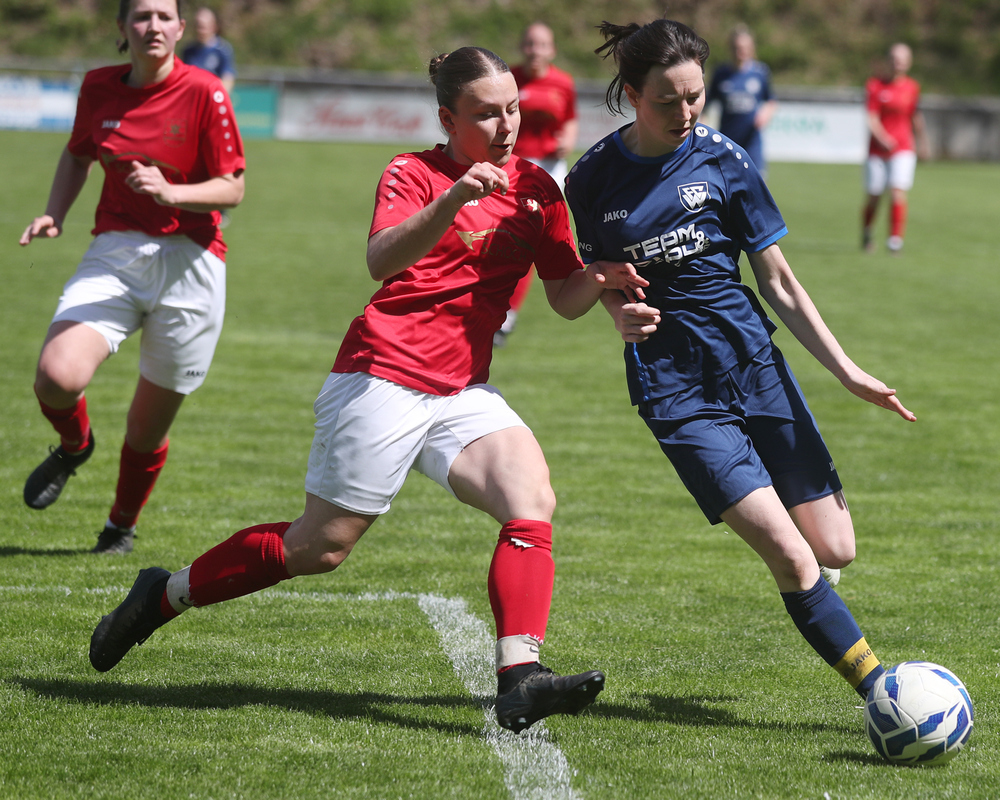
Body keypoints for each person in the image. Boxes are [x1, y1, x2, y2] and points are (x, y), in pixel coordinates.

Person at [90, 46, 647, 732]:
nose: (505, 125)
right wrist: (454, 198)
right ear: (448, 119)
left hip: (462, 390)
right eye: (485, 114)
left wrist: (604, 279)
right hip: (382, 373)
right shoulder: (412, 172)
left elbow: (562, 296)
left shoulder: (537, 187)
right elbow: (382, 259)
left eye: (512, 109)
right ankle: (163, 594)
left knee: (530, 500)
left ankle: (520, 676)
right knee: (317, 549)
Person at [565, 19, 916, 703]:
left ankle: (798, 550)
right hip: (675, 391)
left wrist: (847, 371)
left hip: (754, 365)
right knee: (791, 555)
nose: (685, 113)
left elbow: (778, 281)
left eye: (695, 96)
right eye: (666, 100)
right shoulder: (592, 179)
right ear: (631, 95)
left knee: (835, 549)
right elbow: (583, 285)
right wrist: (616, 309)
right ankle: (885, 695)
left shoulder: (724, 158)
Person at [19, 0, 245, 554]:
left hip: (192, 262)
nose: (153, 26)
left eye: (164, 16)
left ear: (181, 28)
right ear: (122, 28)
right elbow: (77, 154)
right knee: (55, 377)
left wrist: (172, 192)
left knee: (146, 430)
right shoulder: (98, 86)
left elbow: (232, 187)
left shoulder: (206, 91)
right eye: (141, 16)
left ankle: (119, 526)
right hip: (116, 252)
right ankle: (75, 445)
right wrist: (55, 212)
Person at [495, 22, 579, 348]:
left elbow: (570, 120)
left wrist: (568, 140)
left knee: (532, 243)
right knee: (506, 239)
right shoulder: (509, 80)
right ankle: (498, 311)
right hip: (513, 168)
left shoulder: (563, 83)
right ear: (522, 47)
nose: (535, 51)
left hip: (550, 170)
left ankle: (506, 315)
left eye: (542, 44)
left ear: (552, 50)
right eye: (530, 43)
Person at [861, 43, 930, 254]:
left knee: (897, 191)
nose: (897, 63)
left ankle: (895, 240)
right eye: (894, 59)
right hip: (877, 150)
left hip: (903, 148)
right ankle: (867, 231)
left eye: (902, 59)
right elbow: (871, 117)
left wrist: (923, 142)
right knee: (874, 195)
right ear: (887, 61)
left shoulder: (912, 87)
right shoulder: (875, 86)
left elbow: (915, 116)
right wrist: (882, 137)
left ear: (909, 62)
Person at [705, 24, 776, 176]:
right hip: (727, 141)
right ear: (731, 48)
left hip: (752, 142)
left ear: (752, 48)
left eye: (745, 47)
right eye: (737, 47)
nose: (741, 51)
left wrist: (765, 114)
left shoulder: (760, 72)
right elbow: (707, 104)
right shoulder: (721, 74)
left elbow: (770, 101)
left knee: (757, 185)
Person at [181, 6, 236, 94]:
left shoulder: (222, 50)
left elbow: (228, 78)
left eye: (203, 27)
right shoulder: (188, 50)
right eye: (197, 26)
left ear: (213, 27)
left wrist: (218, 96)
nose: (200, 31)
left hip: (212, 97)